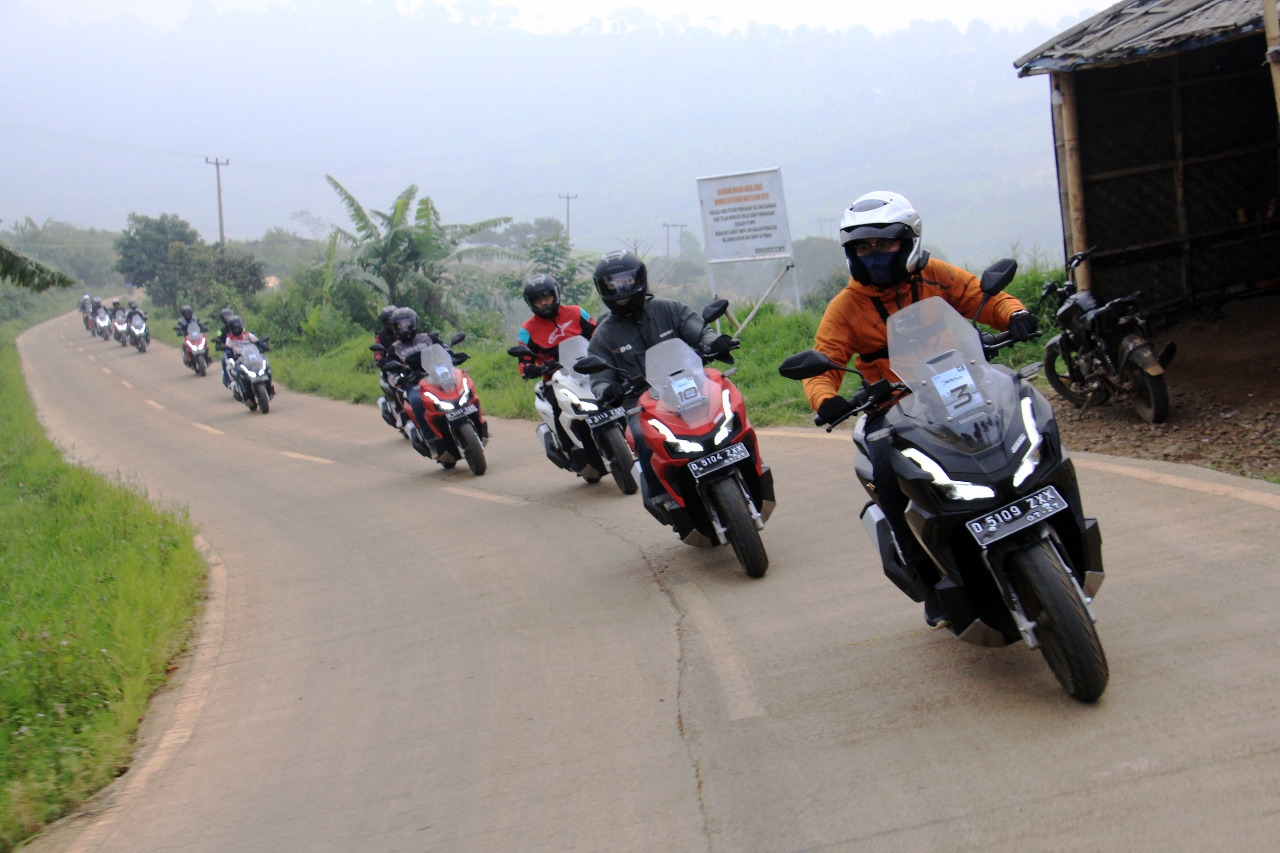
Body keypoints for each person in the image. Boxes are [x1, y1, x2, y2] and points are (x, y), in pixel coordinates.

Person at [801, 191, 1039, 627]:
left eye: (884, 244)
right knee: (888, 481)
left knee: (1021, 424)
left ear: (909, 240)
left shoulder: (934, 275)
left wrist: (1015, 314)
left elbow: (979, 296)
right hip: (894, 409)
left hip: (960, 387)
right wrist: (826, 398)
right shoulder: (845, 307)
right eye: (862, 248)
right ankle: (929, 579)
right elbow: (824, 363)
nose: (873, 255)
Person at [585, 250, 735, 520]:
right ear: (602, 288)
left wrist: (714, 343)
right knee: (641, 436)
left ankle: (744, 459)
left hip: (690, 388)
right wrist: (607, 391)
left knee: (726, 406)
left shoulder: (667, 309)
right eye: (613, 285)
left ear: (639, 279)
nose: (621, 289)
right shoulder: (603, 336)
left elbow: (698, 329)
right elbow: (598, 378)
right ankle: (660, 494)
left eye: (627, 281)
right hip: (643, 406)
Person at [514, 273, 598, 462]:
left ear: (555, 294)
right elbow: (524, 360)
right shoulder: (527, 329)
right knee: (559, 407)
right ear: (531, 303)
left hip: (586, 367)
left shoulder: (577, 312)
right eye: (538, 300)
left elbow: (597, 334)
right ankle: (569, 452)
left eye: (547, 297)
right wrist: (530, 369)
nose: (544, 302)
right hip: (555, 377)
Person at [386, 307, 488, 443]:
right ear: (394, 328)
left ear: (415, 323)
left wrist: (454, 355)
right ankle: (428, 436)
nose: (405, 328)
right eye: (400, 325)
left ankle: (477, 421)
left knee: (462, 385)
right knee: (416, 401)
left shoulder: (428, 338)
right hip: (414, 383)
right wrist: (399, 379)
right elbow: (390, 372)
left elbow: (444, 348)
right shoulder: (394, 349)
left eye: (408, 323)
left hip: (438, 376)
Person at [215, 308, 236, 386]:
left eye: (229, 315)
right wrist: (218, 344)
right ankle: (227, 379)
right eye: (226, 316)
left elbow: (246, 335)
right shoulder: (221, 331)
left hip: (241, 348)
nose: (228, 318)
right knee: (224, 359)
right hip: (229, 350)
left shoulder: (238, 326)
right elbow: (218, 339)